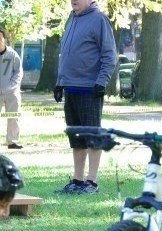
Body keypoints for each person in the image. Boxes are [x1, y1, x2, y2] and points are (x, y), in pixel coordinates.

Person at [54, 0, 116, 194]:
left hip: (89, 89)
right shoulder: (71, 20)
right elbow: (65, 55)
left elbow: (110, 55)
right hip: (70, 88)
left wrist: (102, 81)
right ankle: (78, 180)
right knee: (76, 138)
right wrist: (59, 81)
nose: (74, 0)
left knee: (92, 137)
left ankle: (92, 182)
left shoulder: (99, 19)